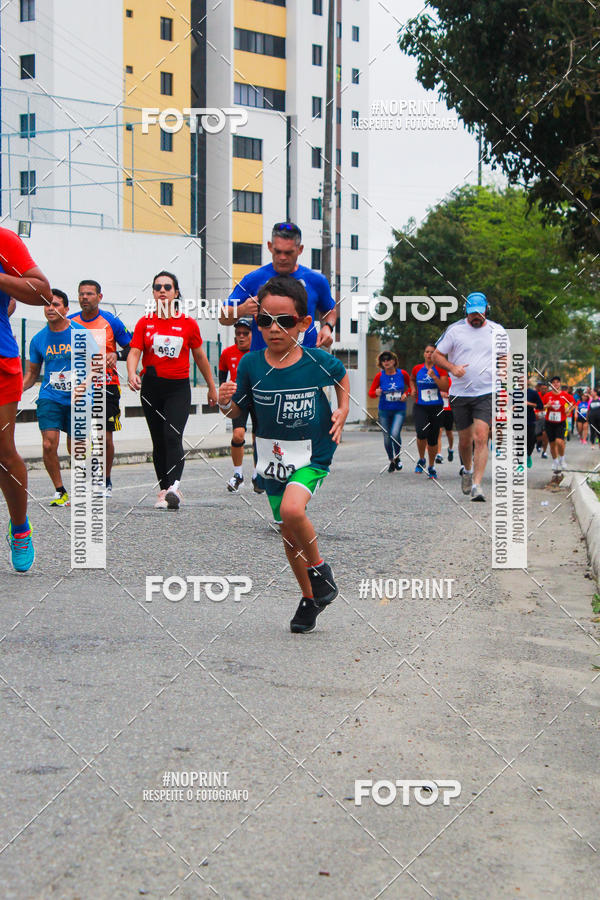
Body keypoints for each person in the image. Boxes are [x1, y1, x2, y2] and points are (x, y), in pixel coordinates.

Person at [218, 276, 350, 634]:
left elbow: (340, 377)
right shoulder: (250, 365)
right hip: (271, 460)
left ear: (304, 323)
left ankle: (322, 573)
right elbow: (237, 412)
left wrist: (342, 410)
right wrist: (223, 400)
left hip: (312, 454)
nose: (273, 329)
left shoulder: (314, 360)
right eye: (264, 321)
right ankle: (310, 598)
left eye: (285, 321)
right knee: (289, 534)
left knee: (294, 511)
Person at [127, 272, 217, 509]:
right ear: (154, 293)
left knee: (172, 435)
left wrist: (211, 387)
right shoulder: (144, 322)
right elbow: (134, 351)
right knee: (158, 440)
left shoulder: (187, 323)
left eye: (168, 287)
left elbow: (200, 357)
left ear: (176, 292)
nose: (162, 291)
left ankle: (174, 488)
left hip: (177, 388)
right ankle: (164, 490)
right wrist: (132, 372)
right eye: (158, 287)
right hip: (152, 388)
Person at [0, 227, 52, 571]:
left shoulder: (5, 240)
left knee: (3, 451)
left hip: (0, 361)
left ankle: (20, 528)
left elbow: (42, 293)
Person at [432, 291, 508, 501]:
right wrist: (452, 367)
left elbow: (504, 356)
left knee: (481, 437)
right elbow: (437, 355)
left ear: (486, 311)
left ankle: (477, 485)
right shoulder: (455, 331)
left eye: (479, 313)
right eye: (472, 313)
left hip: (486, 391)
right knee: (465, 442)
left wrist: (503, 372)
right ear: (465, 312)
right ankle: (466, 470)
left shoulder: (497, 331)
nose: (475, 317)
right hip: (460, 393)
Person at [219, 221, 337, 351]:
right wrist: (242, 309)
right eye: (278, 251)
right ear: (270, 246)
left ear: (300, 250)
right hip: (263, 365)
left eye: (288, 253)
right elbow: (223, 316)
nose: (282, 257)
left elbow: (329, 310)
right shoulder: (253, 279)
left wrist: (327, 327)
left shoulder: (316, 281)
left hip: (305, 363)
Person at [69, 280, 132, 497]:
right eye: (81, 294)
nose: (84, 297)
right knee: (79, 437)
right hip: (79, 387)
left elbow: (132, 347)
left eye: (89, 294)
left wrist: (118, 354)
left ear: (99, 297)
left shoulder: (111, 321)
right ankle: (84, 478)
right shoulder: (69, 323)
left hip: (106, 384)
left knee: (104, 437)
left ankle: (105, 480)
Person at [22, 290, 74, 506]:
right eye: (47, 305)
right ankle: (60, 490)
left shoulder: (79, 334)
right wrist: (15, 392)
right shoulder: (38, 339)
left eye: (55, 304)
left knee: (78, 447)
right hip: (50, 396)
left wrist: (84, 387)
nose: (50, 308)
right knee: (48, 445)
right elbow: (32, 374)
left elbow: (95, 368)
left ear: (66, 309)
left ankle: (86, 486)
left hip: (78, 398)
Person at [218, 317, 258, 492]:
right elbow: (221, 379)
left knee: (259, 438)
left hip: (258, 398)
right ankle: (238, 475)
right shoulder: (227, 353)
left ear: (253, 335)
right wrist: (219, 395)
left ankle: (258, 475)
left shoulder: (260, 353)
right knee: (238, 435)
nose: (241, 337)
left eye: (245, 333)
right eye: (238, 333)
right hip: (239, 399)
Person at [410, 344, 450, 480]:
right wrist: (413, 389)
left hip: (436, 407)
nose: (429, 354)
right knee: (421, 433)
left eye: (432, 352)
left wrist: (434, 377)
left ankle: (431, 466)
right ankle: (422, 459)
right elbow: (412, 379)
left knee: (433, 438)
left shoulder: (441, 369)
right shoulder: (417, 368)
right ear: (424, 354)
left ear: (436, 355)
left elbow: (445, 386)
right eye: (427, 352)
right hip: (420, 405)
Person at [367, 351, 411, 471]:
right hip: (384, 410)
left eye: (388, 359)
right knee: (387, 437)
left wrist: (406, 394)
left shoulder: (403, 374)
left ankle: (397, 457)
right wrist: (376, 393)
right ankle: (391, 460)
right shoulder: (379, 376)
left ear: (394, 361)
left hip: (399, 410)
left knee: (395, 433)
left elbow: (411, 387)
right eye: (383, 360)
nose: (386, 362)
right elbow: (371, 393)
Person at [541, 375, 576, 475]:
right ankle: (555, 461)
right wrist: (547, 405)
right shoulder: (547, 396)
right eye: (554, 382)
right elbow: (541, 407)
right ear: (551, 385)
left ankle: (562, 459)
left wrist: (568, 409)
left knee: (559, 441)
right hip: (549, 422)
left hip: (560, 422)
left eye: (558, 382)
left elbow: (573, 403)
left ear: (560, 384)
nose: (556, 384)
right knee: (552, 444)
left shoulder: (565, 395)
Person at [526, 377, 544, 469]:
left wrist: (529, 404)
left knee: (531, 441)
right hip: (517, 420)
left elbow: (541, 406)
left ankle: (528, 455)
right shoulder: (514, 393)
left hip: (530, 420)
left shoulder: (533, 393)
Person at [437, 389, 455, 462]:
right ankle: (439, 454)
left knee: (449, 432)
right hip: (439, 408)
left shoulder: (451, 380)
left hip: (449, 409)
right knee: (439, 431)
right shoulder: (437, 380)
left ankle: (450, 449)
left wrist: (448, 396)